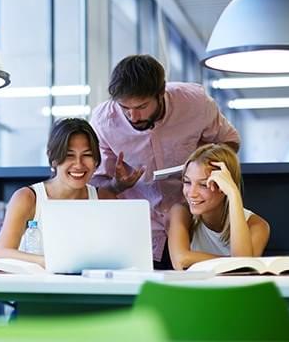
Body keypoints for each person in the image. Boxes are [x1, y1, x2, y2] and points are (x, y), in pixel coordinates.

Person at [90, 54, 240, 268]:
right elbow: (95, 184)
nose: (133, 116)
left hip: (195, 223)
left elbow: (229, 142)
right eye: (124, 108)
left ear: (161, 93)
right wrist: (117, 185)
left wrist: (204, 167)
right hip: (139, 231)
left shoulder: (195, 102)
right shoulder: (103, 121)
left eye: (142, 106)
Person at [0, 118, 114, 267]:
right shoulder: (27, 198)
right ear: (53, 159)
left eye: (87, 155)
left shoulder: (105, 198)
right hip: (38, 280)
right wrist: (51, 262)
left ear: (96, 160)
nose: (78, 164)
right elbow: (1, 252)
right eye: (69, 155)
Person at [168, 143, 270, 269]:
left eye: (203, 185)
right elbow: (180, 260)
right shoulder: (181, 212)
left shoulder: (257, 225)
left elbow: (242, 269)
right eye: (187, 182)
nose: (191, 193)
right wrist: (233, 262)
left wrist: (233, 194)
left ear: (224, 186)